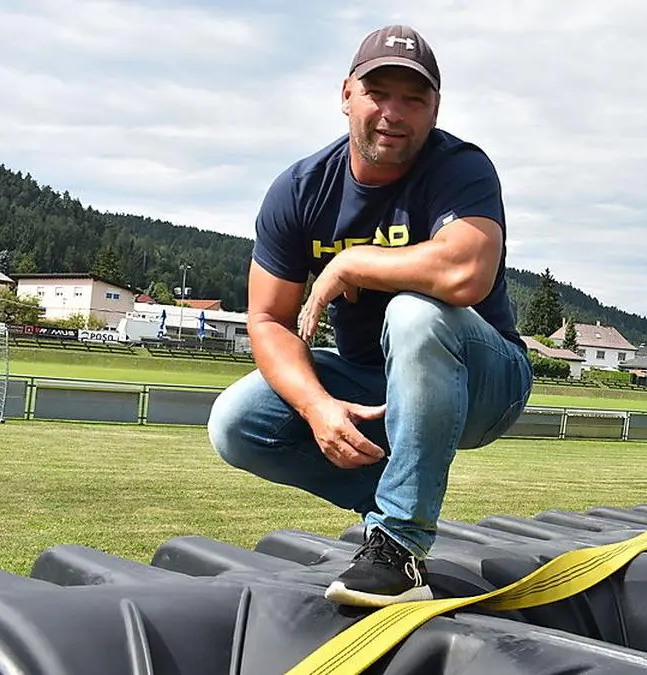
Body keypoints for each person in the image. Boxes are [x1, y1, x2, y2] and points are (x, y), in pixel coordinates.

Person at [207, 24, 533, 608]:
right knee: (238, 421)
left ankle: (399, 544)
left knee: (415, 314)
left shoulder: (461, 167)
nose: (393, 112)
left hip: (487, 381)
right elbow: (268, 320)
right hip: (376, 386)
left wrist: (356, 262)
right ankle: (399, 503)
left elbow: (466, 272)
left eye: (414, 98)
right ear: (346, 95)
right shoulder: (301, 189)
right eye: (378, 92)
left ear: (435, 108)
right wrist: (317, 406)